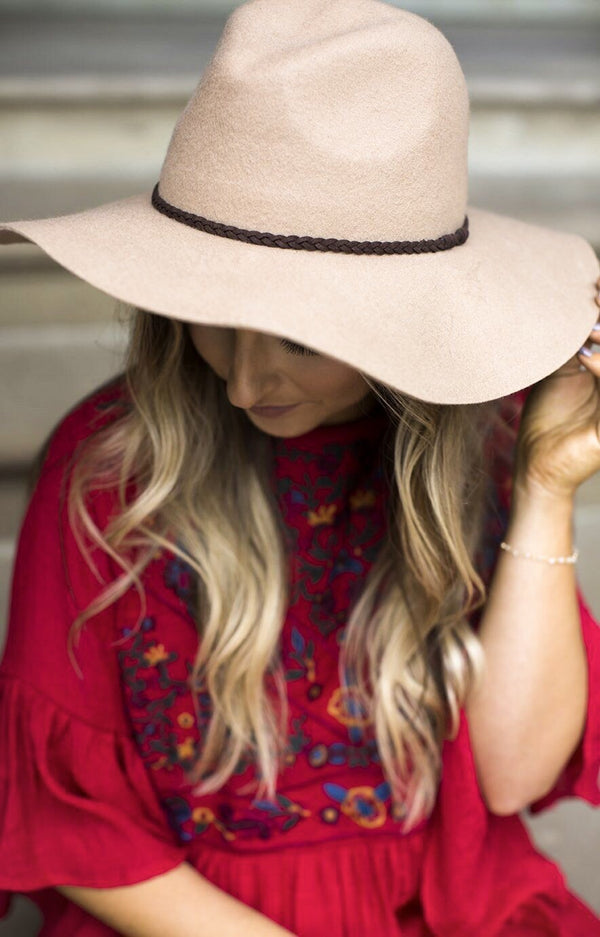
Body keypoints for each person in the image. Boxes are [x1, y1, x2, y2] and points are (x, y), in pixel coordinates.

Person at [1, 1, 599, 934]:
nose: (244, 383)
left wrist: (551, 486)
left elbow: (515, 771)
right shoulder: (109, 471)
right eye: (210, 318)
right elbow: (77, 829)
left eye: (295, 339)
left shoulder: (486, 447)